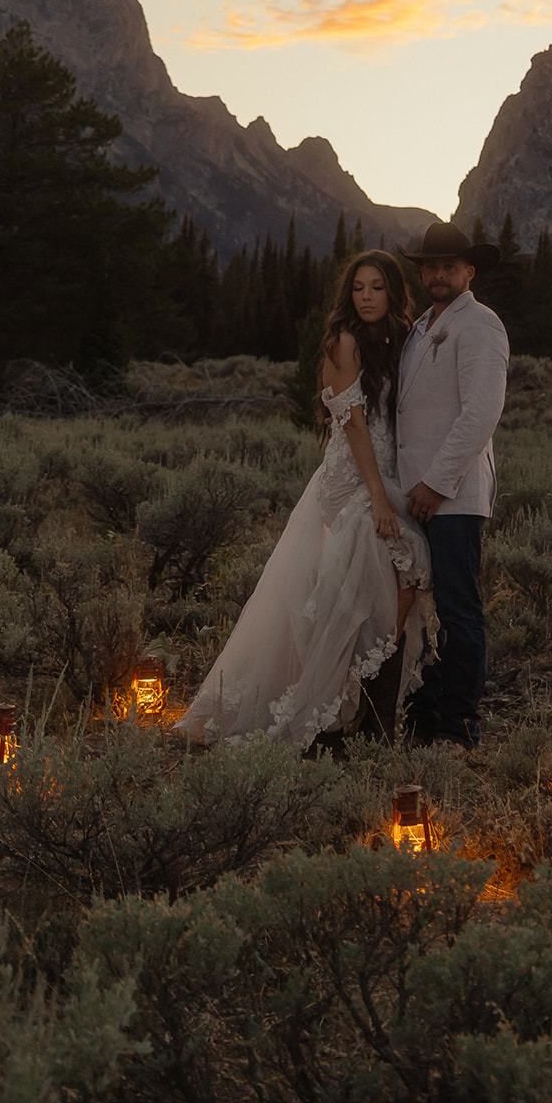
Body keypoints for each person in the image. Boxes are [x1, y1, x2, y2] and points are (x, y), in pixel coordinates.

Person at [176, 251, 436, 751]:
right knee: (389, 555)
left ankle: (364, 707)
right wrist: (378, 498)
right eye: (358, 287)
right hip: (352, 477)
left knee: (395, 579)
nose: (366, 297)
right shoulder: (343, 340)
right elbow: (353, 424)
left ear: (393, 292)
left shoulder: (400, 338)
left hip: (387, 474)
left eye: (376, 287)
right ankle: (330, 709)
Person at [396, 222, 509, 750]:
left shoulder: (481, 324)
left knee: (458, 608)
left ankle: (459, 724)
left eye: (449, 266)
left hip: (453, 496)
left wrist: (436, 484)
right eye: (430, 266)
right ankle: (422, 713)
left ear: (469, 271)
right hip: (412, 494)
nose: (438, 274)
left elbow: (480, 413)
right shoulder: (420, 327)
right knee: (421, 607)